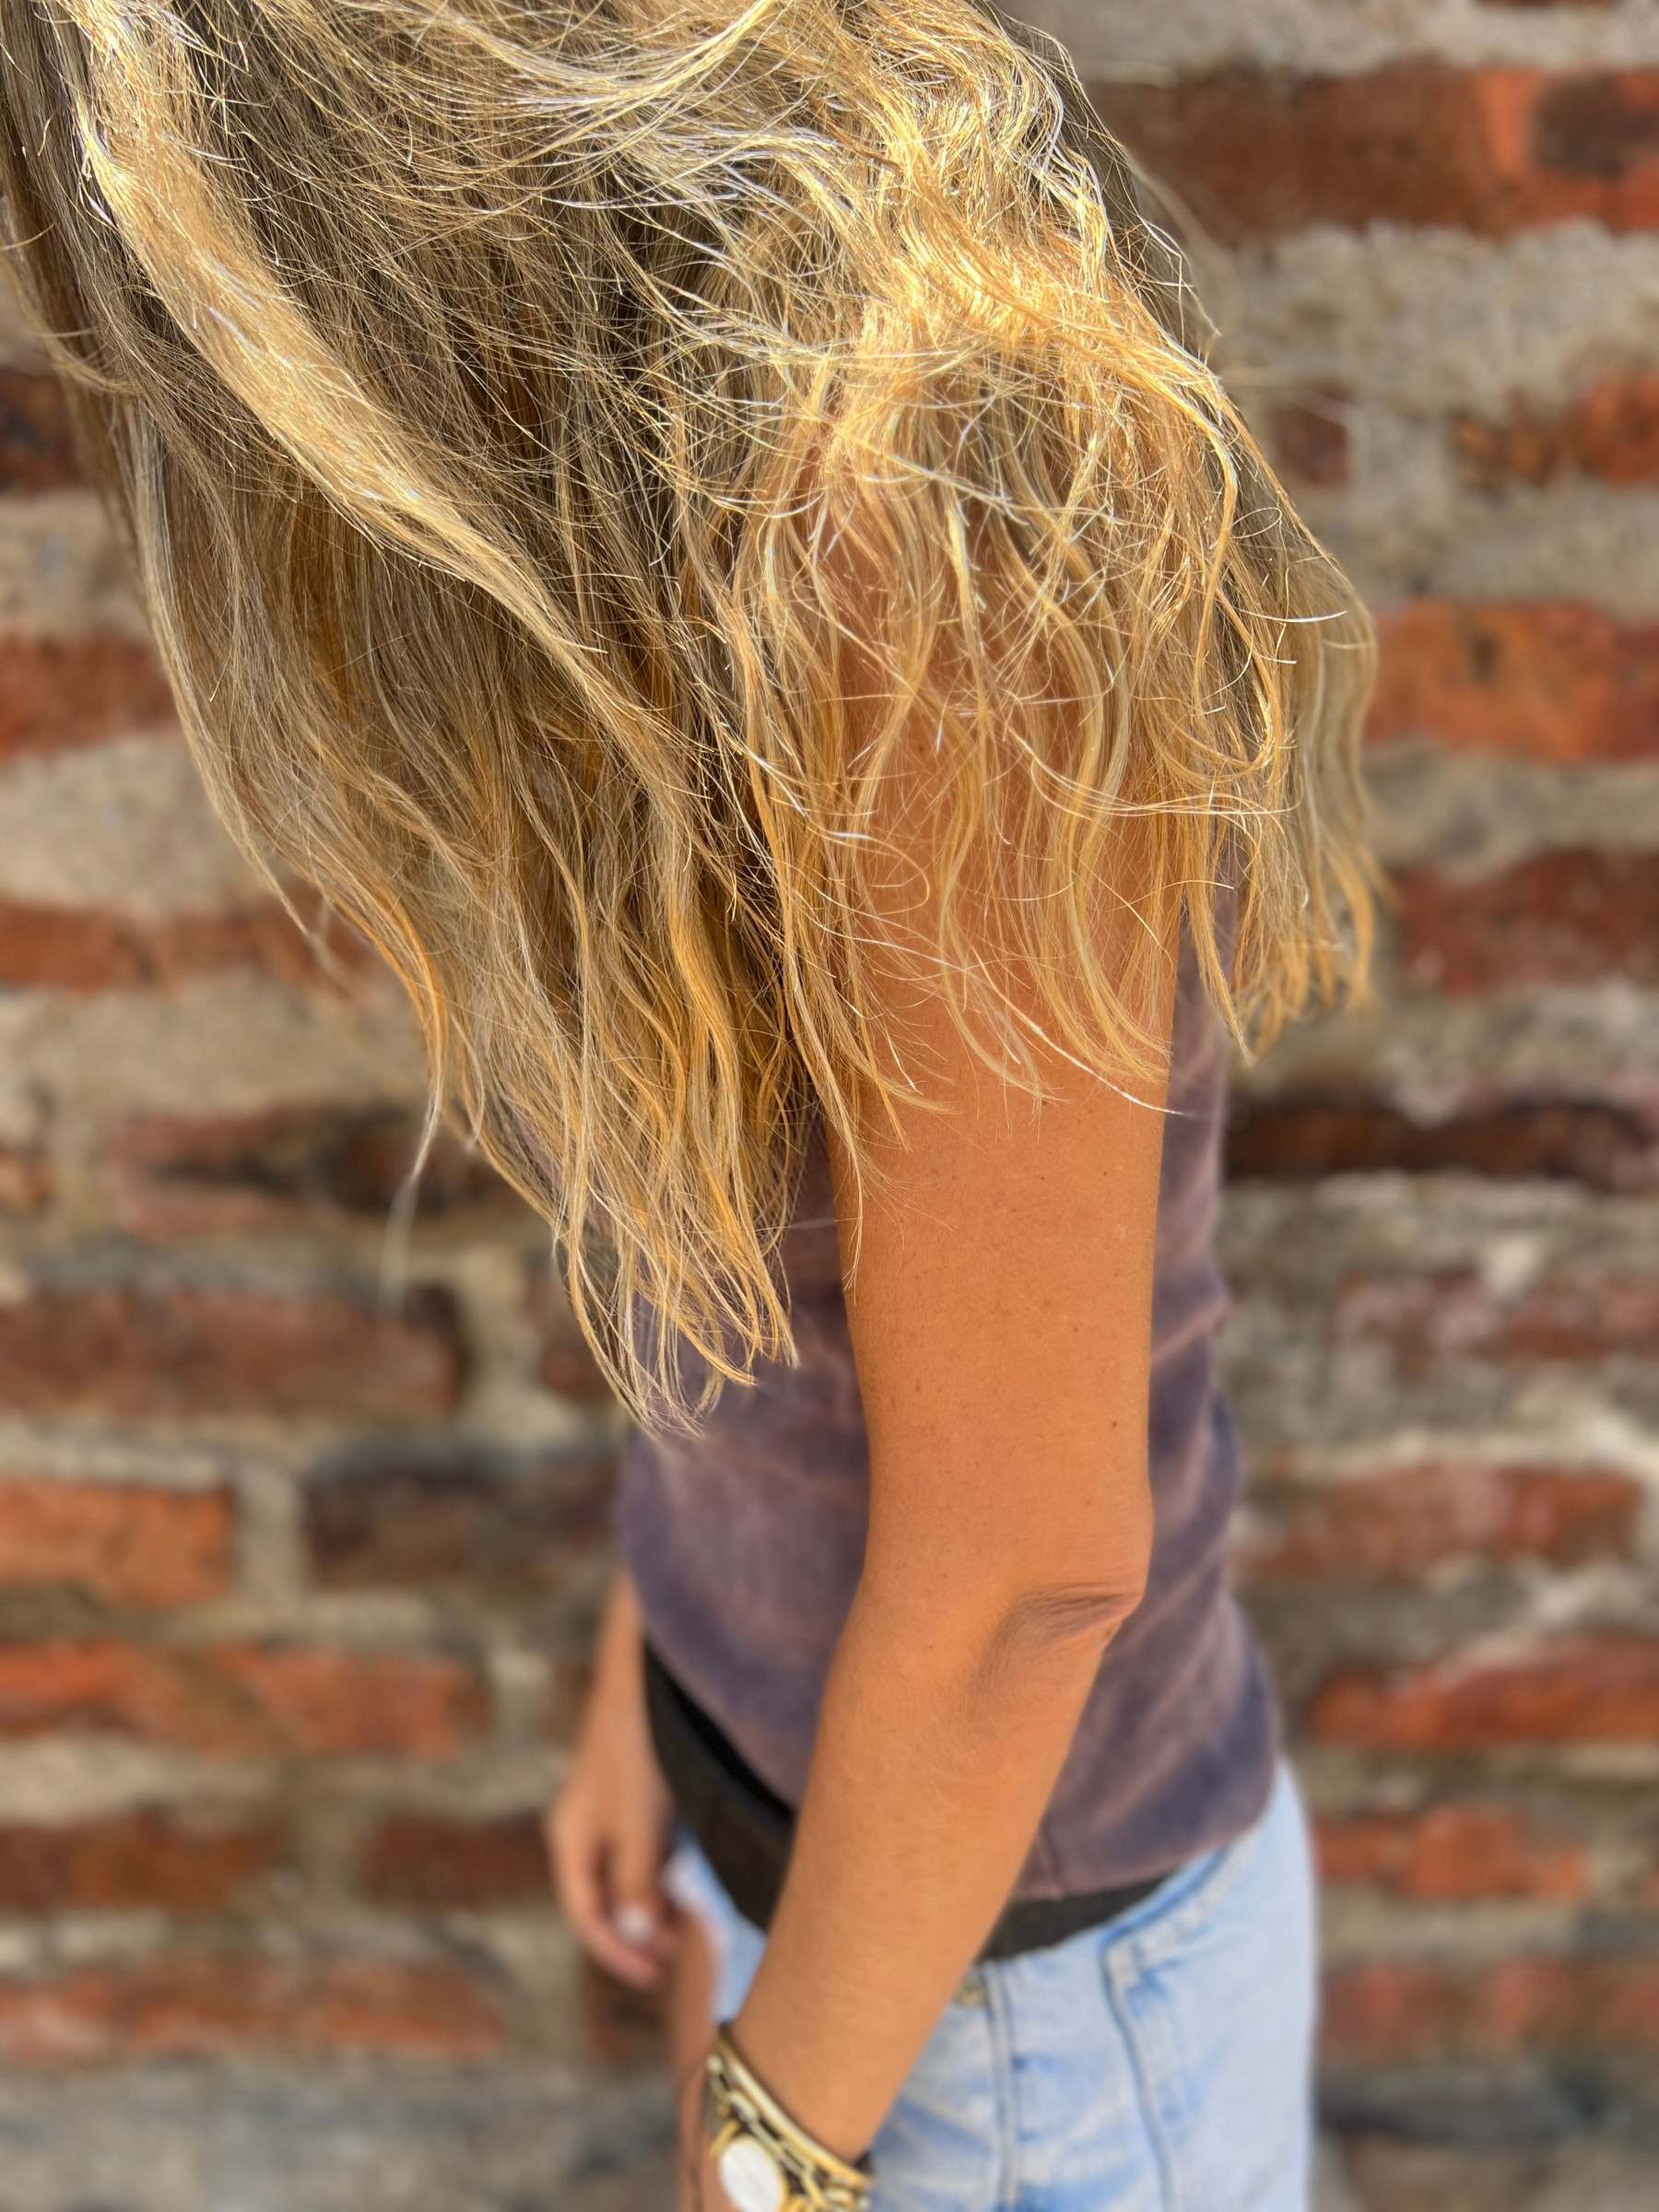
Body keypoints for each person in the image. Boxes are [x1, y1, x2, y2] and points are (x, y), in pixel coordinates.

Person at [0, 2, 1381, 2204]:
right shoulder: (662, 418)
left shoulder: (931, 465)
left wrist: (765, 2148)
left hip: (1007, 2015)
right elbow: (773, 1240)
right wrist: (658, 1669)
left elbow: (1027, 1571)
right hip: (827, 1892)